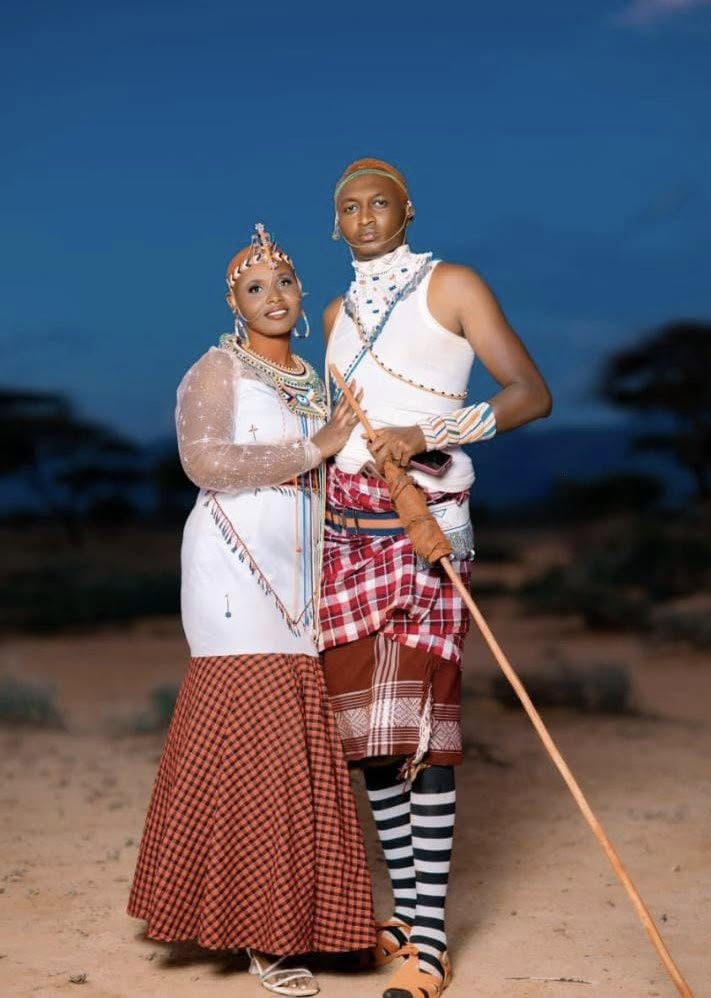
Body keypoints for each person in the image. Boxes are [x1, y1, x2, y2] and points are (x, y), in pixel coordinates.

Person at [319, 159, 552, 998]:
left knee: (425, 735)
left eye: (379, 202)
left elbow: (529, 394)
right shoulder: (334, 313)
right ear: (335, 224)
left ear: (407, 210)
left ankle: (431, 941)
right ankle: (405, 922)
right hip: (343, 542)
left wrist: (427, 434)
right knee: (372, 740)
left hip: (423, 534)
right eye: (349, 207)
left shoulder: (451, 284)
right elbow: (335, 432)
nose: (364, 216)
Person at [128, 223, 375, 997]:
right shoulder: (216, 370)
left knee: (291, 747)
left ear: (302, 296)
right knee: (256, 741)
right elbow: (204, 462)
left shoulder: (317, 382)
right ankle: (264, 936)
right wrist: (316, 446)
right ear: (233, 303)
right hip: (232, 571)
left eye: (284, 283)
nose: (273, 296)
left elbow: (345, 472)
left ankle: (307, 922)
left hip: (301, 575)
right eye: (254, 287)